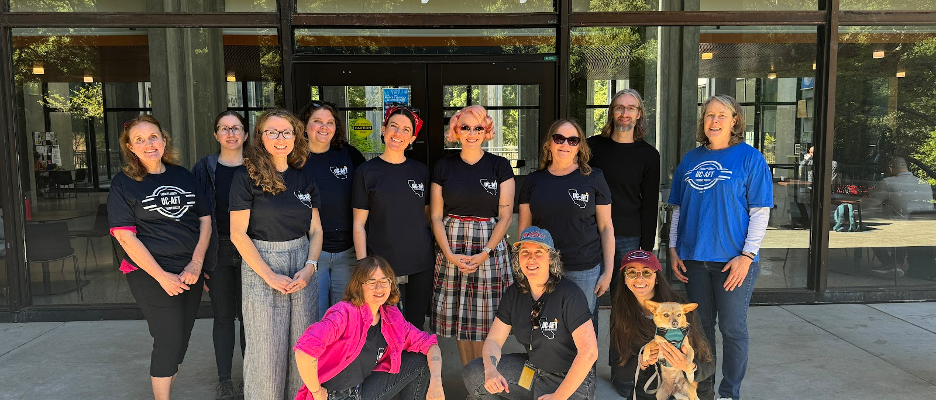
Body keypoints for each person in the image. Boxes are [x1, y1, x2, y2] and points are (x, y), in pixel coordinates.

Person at [668, 94, 773, 400]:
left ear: (735, 121)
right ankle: (705, 390)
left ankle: (729, 393)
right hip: (694, 260)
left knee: (732, 328)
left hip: (733, 262)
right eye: (709, 115)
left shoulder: (750, 158)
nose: (714, 121)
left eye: (721, 115)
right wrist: (673, 248)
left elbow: (760, 211)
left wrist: (747, 255)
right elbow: (676, 208)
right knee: (700, 331)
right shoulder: (690, 159)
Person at [108, 115, 213, 400]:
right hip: (148, 272)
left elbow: (205, 221)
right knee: (168, 338)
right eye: (139, 140)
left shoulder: (183, 176)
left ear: (164, 140)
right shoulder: (123, 184)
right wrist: (161, 276)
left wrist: (196, 263)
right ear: (130, 147)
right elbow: (125, 237)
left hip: (188, 270)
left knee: (181, 338)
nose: (148, 144)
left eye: (153, 137)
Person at [229, 108, 323, 400]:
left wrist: (310, 267)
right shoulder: (246, 177)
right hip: (262, 264)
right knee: (266, 353)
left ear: (296, 136)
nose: (280, 138)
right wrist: (268, 275)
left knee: (302, 348)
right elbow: (237, 234)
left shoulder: (304, 176)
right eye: (272, 132)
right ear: (260, 137)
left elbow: (316, 231)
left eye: (286, 132)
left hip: (301, 265)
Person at [462, 226, 598, 400]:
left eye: (539, 252)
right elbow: (494, 340)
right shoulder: (514, 293)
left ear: (550, 258)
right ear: (518, 258)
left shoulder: (569, 294)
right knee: (475, 373)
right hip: (533, 371)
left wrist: (559, 396)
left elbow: (589, 352)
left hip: (570, 380)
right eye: (525, 252)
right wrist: (491, 370)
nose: (531, 258)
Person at [585, 89, 661, 391]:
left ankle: (621, 375)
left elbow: (649, 204)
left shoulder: (648, 155)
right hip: (589, 236)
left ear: (639, 114)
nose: (625, 114)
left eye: (631, 108)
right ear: (611, 113)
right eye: (619, 108)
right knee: (585, 308)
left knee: (624, 311)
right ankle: (584, 375)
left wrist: (645, 250)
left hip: (629, 240)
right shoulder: (592, 147)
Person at [429, 105, 515, 366]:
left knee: (486, 320)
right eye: (465, 127)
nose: (471, 133)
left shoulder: (500, 165)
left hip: (488, 247)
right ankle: (471, 380)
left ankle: (484, 383)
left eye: (478, 127)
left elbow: (506, 216)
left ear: (486, 130)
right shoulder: (444, 166)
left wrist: (486, 253)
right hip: (451, 244)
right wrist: (448, 254)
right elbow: (435, 216)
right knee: (461, 320)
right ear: (456, 130)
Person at [293, 256, 445, 400]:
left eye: (384, 281)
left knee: (419, 360)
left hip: (361, 390)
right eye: (372, 282)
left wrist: (437, 382)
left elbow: (430, 344)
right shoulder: (344, 313)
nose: (379, 288)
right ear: (359, 286)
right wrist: (316, 392)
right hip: (334, 395)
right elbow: (304, 351)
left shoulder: (391, 316)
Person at [518, 119, 614, 330]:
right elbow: (525, 232)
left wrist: (608, 271)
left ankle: (586, 366)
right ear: (549, 144)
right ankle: (548, 365)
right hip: (543, 268)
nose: (565, 144)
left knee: (582, 329)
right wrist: (526, 268)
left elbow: (606, 227)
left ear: (579, 146)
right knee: (546, 328)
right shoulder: (534, 180)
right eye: (559, 138)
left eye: (572, 140)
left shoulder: (594, 177)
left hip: (584, 267)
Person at [352, 104, 434, 329]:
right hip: (381, 264)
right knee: (384, 324)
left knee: (416, 323)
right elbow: (359, 224)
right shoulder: (366, 172)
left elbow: (427, 216)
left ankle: (414, 366)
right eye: (393, 126)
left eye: (406, 130)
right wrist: (363, 265)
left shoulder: (421, 171)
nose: (398, 133)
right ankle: (389, 365)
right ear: (383, 130)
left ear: (412, 138)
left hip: (420, 260)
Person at [192, 110, 248, 399]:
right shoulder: (203, 168)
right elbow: (194, 215)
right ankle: (225, 379)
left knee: (250, 317)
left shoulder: (256, 166)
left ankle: (250, 375)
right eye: (224, 129)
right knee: (224, 317)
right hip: (218, 249)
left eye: (236, 128)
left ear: (246, 134)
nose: (230, 133)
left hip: (251, 249)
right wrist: (198, 261)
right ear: (216, 135)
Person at [610, 249, 714, 399]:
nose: (639, 278)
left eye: (646, 272)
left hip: (689, 390)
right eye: (632, 272)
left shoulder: (680, 310)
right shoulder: (621, 314)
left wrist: (688, 366)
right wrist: (642, 362)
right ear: (625, 279)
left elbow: (709, 363)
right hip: (650, 392)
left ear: (657, 277)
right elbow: (621, 372)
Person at [299, 101, 367, 317]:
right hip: (309, 252)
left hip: (347, 251)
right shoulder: (294, 159)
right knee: (314, 317)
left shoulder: (349, 155)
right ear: (304, 125)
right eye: (317, 121)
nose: (324, 127)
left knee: (344, 316)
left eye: (330, 122)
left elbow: (369, 193)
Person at [867, 156, 935, 278]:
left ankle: (891, 265)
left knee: (868, 229)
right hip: (925, 228)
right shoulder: (924, 184)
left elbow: (871, 205)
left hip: (901, 230)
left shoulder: (888, 182)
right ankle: (895, 264)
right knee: (901, 225)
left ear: (891, 169)